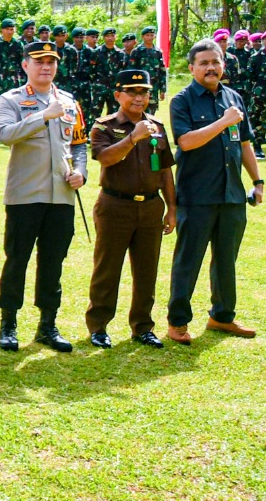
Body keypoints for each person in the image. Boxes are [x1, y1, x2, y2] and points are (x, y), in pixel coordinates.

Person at [165, 39, 265, 345]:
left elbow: (245, 143)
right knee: (188, 260)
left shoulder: (233, 97)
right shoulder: (182, 101)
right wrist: (223, 122)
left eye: (216, 62)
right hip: (198, 196)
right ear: (192, 67)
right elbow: (185, 142)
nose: (211, 68)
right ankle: (177, 322)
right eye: (204, 63)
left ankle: (222, 317)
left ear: (223, 64)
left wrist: (257, 181)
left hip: (232, 195)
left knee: (226, 259)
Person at [0, 40, 87, 353]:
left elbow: (79, 145)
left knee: (53, 263)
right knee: (17, 260)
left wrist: (81, 172)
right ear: (25, 66)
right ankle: (9, 323)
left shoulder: (70, 102)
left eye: (51, 61)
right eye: (39, 61)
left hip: (61, 196)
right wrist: (43, 115)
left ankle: (48, 324)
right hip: (24, 196)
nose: (46, 67)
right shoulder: (11, 99)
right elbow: (5, 135)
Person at [84, 68, 175, 349]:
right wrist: (132, 137)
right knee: (107, 269)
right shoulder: (104, 126)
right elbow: (105, 158)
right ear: (117, 95)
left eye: (144, 92)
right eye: (132, 92)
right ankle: (98, 326)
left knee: (147, 271)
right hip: (115, 206)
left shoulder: (157, 127)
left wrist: (171, 207)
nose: (139, 98)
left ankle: (143, 326)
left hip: (149, 207)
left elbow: (165, 170)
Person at [125, 27, 169, 113]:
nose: (149, 37)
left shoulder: (158, 52)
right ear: (142, 37)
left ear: (155, 36)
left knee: (152, 113)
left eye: (152, 35)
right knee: (138, 110)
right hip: (140, 87)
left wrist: (163, 89)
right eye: (147, 35)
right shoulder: (137, 51)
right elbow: (131, 70)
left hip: (154, 87)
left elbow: (162, 71)